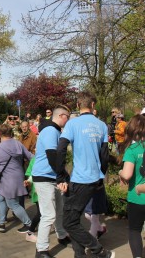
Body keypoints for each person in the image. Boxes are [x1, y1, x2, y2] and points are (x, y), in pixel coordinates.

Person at [56, 91, 114, 258]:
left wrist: (60, 176)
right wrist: (100, 174)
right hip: (94, 179)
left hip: (80, 179)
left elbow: (60, 149)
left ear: (77, 105)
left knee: (69, 221)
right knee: (73, 220)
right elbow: (105, 156)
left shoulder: (72, 124)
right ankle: (79, 255)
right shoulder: (102, 125)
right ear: (93, 105)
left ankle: (100, 251)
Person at [32, 104, 71, 258]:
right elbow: (52, 156)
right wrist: (63, 176)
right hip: (44, 177)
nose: (68, 120)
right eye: (67, 117)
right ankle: (41, 249)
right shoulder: (49, 130)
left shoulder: (53, 130)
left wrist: (61, 176)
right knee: (48, 215)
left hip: (52, 176)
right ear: (61, 116)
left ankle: (61, 235)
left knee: (59, 210)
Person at [0, 124, 33, 233]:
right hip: (17, 176)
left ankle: (29, 224)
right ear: (11, 133)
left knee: (13, 204)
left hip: (7, 179)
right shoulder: (18, 143)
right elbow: (30, 156)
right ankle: (0, 223)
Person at [118, 114, 145, 258]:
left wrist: (120, 171)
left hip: (138, 198)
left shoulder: (133, 150)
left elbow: (127, 175)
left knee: (135, 230)